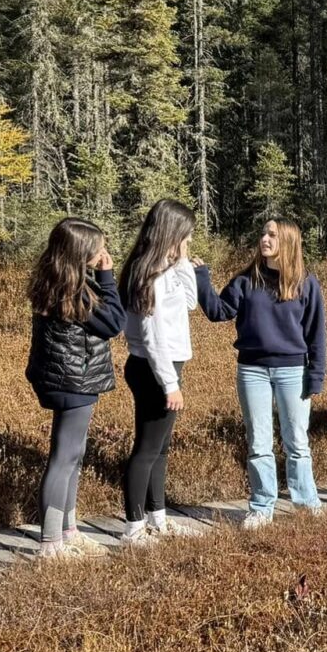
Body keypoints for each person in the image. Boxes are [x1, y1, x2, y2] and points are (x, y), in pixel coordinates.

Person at [197, 219, 327, 528]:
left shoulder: (306, 283)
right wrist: (202, 278)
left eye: (272, 234)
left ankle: (307, 503)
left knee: (296, 441)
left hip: (294, 371)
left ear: (287, 241)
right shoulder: (246, 280)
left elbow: (317, 334)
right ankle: (261, 507)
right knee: (258, 442)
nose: (264, 238)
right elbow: (218, 311)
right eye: (264, 233)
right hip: (252, 369)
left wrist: (317, 375)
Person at [25, 218, 125, 559]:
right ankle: (51, 544)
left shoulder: (56, 281)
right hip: (73, 379)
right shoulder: (76, 289)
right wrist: (108, 279)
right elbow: (114, 323)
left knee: (72, 456)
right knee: (65, 457)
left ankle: (68, 531)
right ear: (81, 252)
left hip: (62, 376)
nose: (103, 252)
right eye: (98, 246)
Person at [120, 199, 201, 546]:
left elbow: (191, 302)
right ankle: (134, 528)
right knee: (147, 449)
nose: (189, 241)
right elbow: (153, 338)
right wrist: (170, 384)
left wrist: (183, 262)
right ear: (172, 232)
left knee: (161, 448)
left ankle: (158, 518)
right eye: (186, 236)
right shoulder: (149, 275)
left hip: (165, 366)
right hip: (154, 369)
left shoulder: (166, 269)